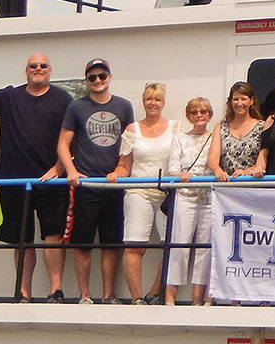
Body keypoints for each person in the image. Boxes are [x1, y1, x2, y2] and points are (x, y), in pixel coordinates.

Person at [0, 49, 71, 301]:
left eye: (43, 65)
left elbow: (72, 137)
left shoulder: (63, 100)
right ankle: (22, 291)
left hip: (51, 181)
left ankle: (56, 290)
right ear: (26, 71)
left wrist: (59, 168)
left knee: (53, 236)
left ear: (50, 70)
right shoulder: (9, 96)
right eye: (33, 66)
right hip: (13, 180)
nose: (38, 69)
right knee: (21, 239)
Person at [57, 58, 135, 304]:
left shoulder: (124, 106)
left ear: (110, 77)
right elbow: (62, 143)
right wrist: (71, 170)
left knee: (111, 244)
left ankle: (108, 295)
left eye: (102, 76)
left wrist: (123, 168)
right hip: (86, 185)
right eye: (92, 77)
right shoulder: (76, 107)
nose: (98, 81)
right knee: (83, 244)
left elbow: (131, 142)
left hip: (113, 185)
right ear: (87, 81)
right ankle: (85, 295)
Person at [109, 82, 176, 304]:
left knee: (172, 245)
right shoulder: (132, 130)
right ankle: (137, 297)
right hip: (139, 191)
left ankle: (154, 292)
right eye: (149, 99)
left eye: (157, 99)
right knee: (135, 245)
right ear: (143, 101)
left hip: (167, 193)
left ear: (163, 102)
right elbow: (124, 165)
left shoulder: (175, 127)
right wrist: (116, 173)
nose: (153, 103)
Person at [165, 96, 216, 306]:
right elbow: (172, 168)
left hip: (208, 197)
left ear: (210, 115)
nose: (199, 116)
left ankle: (198, 299)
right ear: (188, 115)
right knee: (180, 245)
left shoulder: (215, 137)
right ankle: (170, 297)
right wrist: (181, 175)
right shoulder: (179, 138)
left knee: (205, 247)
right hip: (185, 195)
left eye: (203, 112)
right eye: (194, 112)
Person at [210, 81, 267, 181]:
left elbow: (265, 158)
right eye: (235, 99)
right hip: (226, 186)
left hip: (253, 184)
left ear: (251, 101)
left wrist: (247, 172)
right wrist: (217, 170)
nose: (239, 103)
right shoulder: (220, 127)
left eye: (244, 99)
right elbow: (212, 158)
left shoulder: (262, 127)